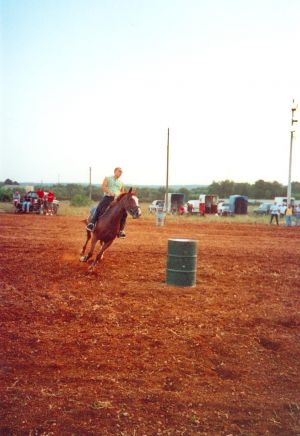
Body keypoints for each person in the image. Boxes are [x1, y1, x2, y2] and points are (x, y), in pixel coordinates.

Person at [86, 167, 127, 237]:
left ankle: (121, 230)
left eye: (121, 172)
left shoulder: (121, 183)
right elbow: (103, 187)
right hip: (108, 197)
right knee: (99, 207)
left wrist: (122, 197)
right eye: (119, 171)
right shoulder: (108, 178)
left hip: (117, 200)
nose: (120, 173)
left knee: (124, 213)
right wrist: (109, 192)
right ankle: (92, 223)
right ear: (115, 171)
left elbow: (122, 192)